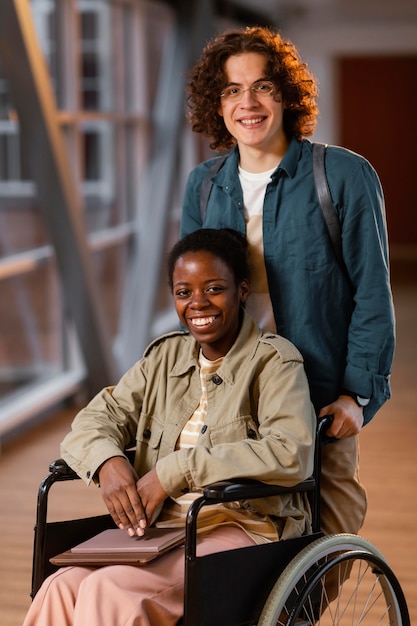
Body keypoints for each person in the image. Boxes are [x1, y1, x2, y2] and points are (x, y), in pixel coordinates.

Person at [23, 228, 316, 626]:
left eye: (214, 289)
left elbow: (290, 451)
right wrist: (108, 463)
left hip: (241, 527)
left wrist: (172, 471)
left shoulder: (275, 362)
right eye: (184, 292)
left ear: (241, 291)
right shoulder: (163, 359)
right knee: (60, 586)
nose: (198, 303)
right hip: (165, 529)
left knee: (107, 591)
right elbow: (94, 420)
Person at [180, 26, 395, 537]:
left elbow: (371, 290)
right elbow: (195, 299)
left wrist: (356, 397)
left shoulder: (341, 175)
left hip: (318, 396)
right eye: (232, 90)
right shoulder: (205, 185)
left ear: (286, 95)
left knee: (330, 534)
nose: (247, 103)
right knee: (238, 534)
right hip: (236, 394)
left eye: (262, 87)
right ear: (217, 103)